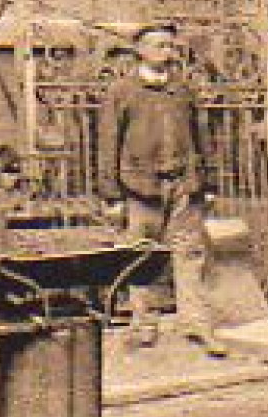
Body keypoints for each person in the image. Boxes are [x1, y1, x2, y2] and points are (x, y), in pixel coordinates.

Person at [96, 23, 227, 358]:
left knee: (190, 257)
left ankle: (196, 325)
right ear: (139, 50)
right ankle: (143, 326)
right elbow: (108, 143)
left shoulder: (183, 91)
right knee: (141, 257)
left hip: (184, 187)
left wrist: (208, 183)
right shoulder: (121, 91)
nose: (165, 52)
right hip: (139, 187)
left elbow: (202, 137)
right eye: (157, 45)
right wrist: (111, 196)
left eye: (169, 45)